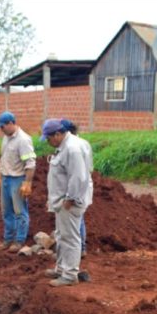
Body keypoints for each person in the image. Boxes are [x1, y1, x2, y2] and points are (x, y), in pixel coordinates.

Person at [41, 118, 92, 287]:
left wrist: (70, 199)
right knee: (62, 235)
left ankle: (70, 275)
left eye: (48, 139)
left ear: (57, 134)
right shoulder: (67, 146)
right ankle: (62, 268)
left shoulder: (72, 149)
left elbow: (78, 176)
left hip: (69, 201)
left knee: (70, 237)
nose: (48, 143)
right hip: (62, 200)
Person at [0, 111, 36, 253]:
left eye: (3, 127)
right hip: (6, 178)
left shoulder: (23, 140)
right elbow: (3, 157)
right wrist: (0, 175)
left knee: (20, 212)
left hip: (17, 179)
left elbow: (30, 163)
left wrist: (27, 183)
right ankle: (7, 239)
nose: (1, 130)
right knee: (6, 211)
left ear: (11, 123)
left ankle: (19, 241)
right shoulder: (6, 137)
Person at [61, 119, 93, 257]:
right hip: (81, 186)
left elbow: (77, 175)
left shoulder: (73, 147)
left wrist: (70, 196)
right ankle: (80, 248)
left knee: (76, 219)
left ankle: (79, 249)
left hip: (76, 188)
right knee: (78, 218)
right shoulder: (82, 143)